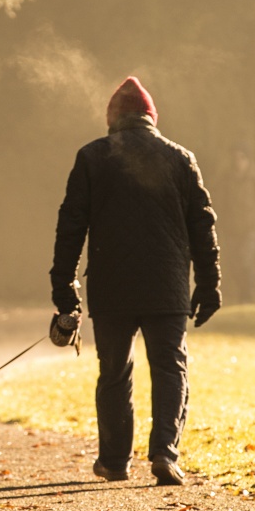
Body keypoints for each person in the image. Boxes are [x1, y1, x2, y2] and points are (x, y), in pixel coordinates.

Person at [49, 77, 220, 487]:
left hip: (111, 285)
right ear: (151, 118)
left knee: (114, 371)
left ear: (113, 119)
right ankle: (164, 452)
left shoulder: (92, 157)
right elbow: (203, 225)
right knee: (169, 367)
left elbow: (70, 226)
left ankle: (114, 460)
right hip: (168, 282)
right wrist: (209, 283)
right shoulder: (180, 158)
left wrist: (64, 286)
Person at [219, 142, 255, 302]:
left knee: (246, 260)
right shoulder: (226, 178)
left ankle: (248, 294)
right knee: (233, 262)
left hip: (251, 227)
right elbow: (220, 202)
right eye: (235, 158)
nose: (238, 161)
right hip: (231, 227)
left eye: (242, 158)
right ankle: (244, 290)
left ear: (248, 160)